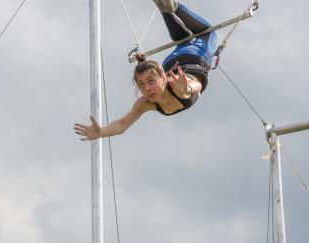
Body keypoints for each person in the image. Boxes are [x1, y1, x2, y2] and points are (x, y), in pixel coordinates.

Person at [74, 0, 217, 141]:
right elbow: (122, 124)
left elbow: (196, 85)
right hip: (177, 58)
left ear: (163, 78)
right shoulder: (144, 102)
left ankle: (173, 7)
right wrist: (101, 132)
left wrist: (187, 88)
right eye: (141, 84)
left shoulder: (176, 84)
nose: (147, 89)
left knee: (209, 33)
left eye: (150, 82)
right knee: (183, 38)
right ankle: (167, 8)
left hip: (194, 55)